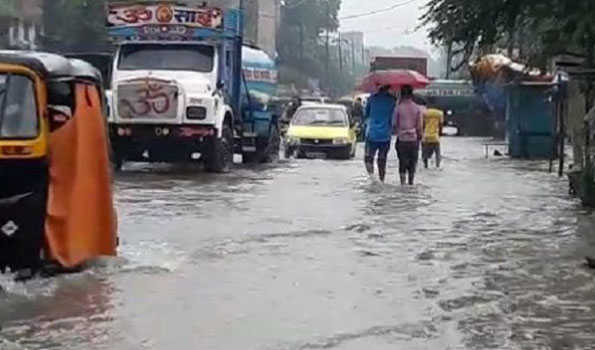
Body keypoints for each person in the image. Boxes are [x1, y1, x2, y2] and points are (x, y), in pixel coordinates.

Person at [364, 85, 396, 183]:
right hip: (385, 135)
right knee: (382, 159)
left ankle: (372, 179)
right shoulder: (392, 101)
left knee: (368, 158)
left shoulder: (371, 99)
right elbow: (393, 120)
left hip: (372, 134)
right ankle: (382, 180)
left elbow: (366, 114)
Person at [394, 85, 423, 185]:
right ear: (411, 94)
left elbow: (394, 124)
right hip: (413, 140)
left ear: (402, 94)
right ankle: (411, 183)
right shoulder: (417, 108)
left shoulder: (398, 108)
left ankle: (402, 184)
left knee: (402, 162)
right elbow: (419, 126)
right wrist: (419, 137)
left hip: (402, 140)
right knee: (412, 163)